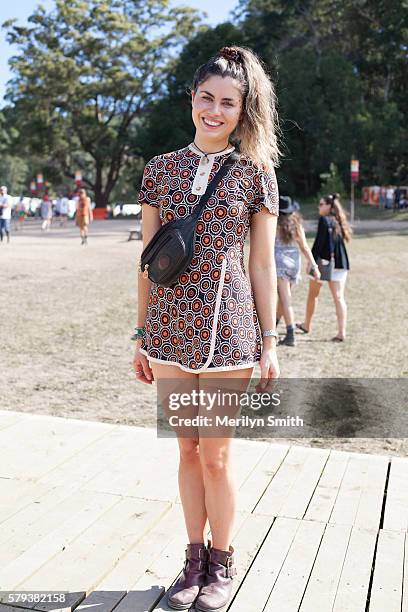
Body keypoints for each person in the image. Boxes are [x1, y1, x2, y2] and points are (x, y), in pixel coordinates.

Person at [133, 45, 281, 612]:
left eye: (228, 103)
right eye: (206, 99)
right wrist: (141, 334)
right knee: (186, 452)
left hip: (230, 330)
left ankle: (222, 563)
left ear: (243, 111)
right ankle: (192, 560)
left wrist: (270, 342)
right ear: (192, 100)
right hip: (169, 330)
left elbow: (262, 264)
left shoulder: (255, 174)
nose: (214, 111)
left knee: (216, 456)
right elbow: (147, 261)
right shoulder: (161, 169)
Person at [296, 193, 352, 342]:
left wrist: (311, 262)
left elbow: (319, 243)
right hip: (340, 263)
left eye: (321, 204)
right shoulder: (339, 221)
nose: (319, 207)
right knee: (339, 298)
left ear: (329, 206)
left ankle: (307, 325)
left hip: (324, 262)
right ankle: (342, 332)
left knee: (313, 295)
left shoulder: (324, 220)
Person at [275, 196, 320, 346]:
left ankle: (290, 333)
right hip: (294, 265)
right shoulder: (296, 224)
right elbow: (305, 246)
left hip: (280, 264)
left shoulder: (274, 224)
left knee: (286, 299)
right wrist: (313, 265)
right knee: (283, 298)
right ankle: (274, 326)